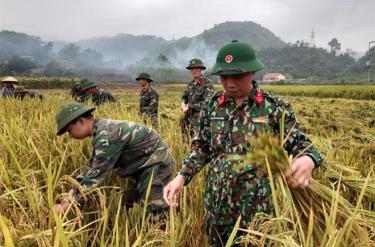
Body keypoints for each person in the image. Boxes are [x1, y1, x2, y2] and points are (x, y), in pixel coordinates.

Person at [163, 40, 323, 246]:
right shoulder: (211, 107)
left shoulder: (274, 108)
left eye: (237, 77)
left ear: (252, 73)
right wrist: (181, 177)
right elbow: (201, 148)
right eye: (224, 77)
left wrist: (308, 160)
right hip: (218, 206)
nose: (230, 84)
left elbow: (302, 145)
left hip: (258, 210)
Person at [54, 102, 175, 215]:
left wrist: (69, 205)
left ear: (80, 121)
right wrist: (74, 190)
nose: (70, 136)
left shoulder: (106, 137)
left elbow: (95, 177)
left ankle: (164, 230)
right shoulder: (100, 131)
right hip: (141, 163)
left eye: (70, 130)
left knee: (155, 205)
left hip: (155, 162)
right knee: (130, 202)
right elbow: (92, 166)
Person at [180, 58, 214, 137]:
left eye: (196, 68)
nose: (194, 71)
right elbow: (184, 97)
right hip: (187, 119)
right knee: (185, 142)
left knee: (196, 144)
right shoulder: (190, 84)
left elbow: (208, 103)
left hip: (199, 121)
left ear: (201, 69)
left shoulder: (207, 84)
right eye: (192, 69)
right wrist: (183, 103)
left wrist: (189, 106)